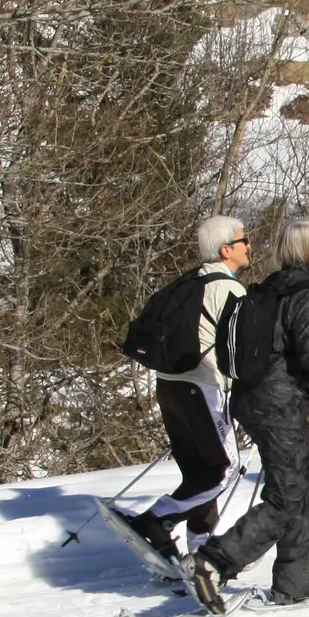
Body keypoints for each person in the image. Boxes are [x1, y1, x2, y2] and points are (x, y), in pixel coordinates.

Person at [185, 219, 309, 613]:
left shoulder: (273, 286)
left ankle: (297, 582)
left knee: (302, 489)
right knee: (287, 498)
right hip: (278, 404)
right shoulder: (308, 293)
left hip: (256, 399)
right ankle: (215, 560)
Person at [114, 216, 250, 560]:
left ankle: (199, 552)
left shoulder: (189, 282)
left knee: (200, 474)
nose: (249, 245)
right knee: (224, 471)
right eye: (243, 240)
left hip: (170, 385)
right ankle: (155, 519)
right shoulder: (229, 289)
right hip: (204, 387)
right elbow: (244, 347)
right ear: (225, 250)